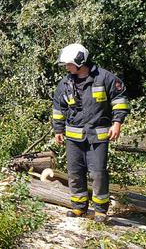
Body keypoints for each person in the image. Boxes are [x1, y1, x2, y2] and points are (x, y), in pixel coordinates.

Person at [52, 43, 130, 223]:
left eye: (69, 64)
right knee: (75, 172)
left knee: (98, 173)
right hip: (73, 138)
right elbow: (58, 107)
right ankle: (79, 207)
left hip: (98, 137)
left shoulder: (105, 78)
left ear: (81, 61)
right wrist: (58, 129)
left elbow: (120, 100)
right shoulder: (65, 83)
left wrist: (117, 122)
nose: (66, 67)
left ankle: (101, 211)